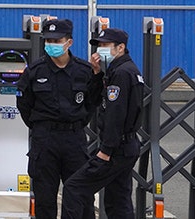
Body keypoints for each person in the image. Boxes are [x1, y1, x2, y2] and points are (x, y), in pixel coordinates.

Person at [15, 19, 103, 219]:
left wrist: (77, 122)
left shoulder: (84, 70)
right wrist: (40, 127)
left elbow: (91, 102)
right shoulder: (35, 71)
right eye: (48, 40)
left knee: (80, 196)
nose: (51, 44)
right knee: (45, 197)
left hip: (74, 139)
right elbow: (24, 105)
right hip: (45, 140)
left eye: (57, 40)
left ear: (69, 42)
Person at [61, 27, 145, 219]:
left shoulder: (122, 73)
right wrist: (97, 73)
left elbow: (116, 115)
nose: (100, 50)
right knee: (118, 200)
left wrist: (106, 150)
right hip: (125, 146)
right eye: (98, 45)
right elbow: (96, 100)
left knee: (74, 188)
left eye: (105, 45)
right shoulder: (119, 70)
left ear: (120, 47)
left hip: (116, 148)